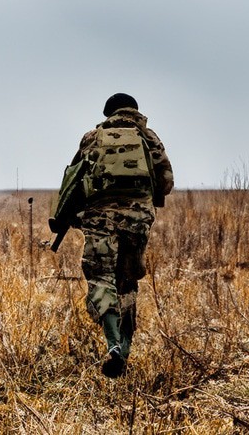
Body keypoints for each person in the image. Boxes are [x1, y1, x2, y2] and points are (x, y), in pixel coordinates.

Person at [64, 93, 173, 378]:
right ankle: (124, 348)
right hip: (137, 219)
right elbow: (166, 181)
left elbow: (74, 181)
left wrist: (72, 216)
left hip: (100, 218)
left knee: (102, 279)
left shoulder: (93, 137)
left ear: (108, 113)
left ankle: (112, 344)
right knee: (128, 282)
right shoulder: (149, 138)